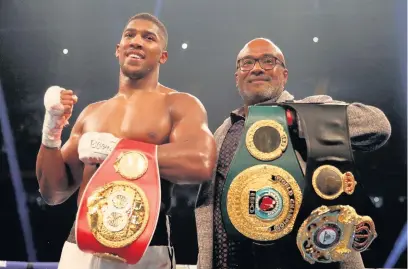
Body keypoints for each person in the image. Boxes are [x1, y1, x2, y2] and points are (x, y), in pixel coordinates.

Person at [36, 13, 217, 269]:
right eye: (130, 35)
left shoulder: (179, 104)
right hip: (79, 246)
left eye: (149, 37)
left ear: (162, 56)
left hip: (144, 249)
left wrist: (115, 150)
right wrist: (52, 128)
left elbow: (201, 163)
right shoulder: (91, 113)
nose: (137, 41)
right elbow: (52, 192)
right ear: (118, 50)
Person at [195, 38, 391, 269]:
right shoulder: (223, 130)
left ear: (284, 75)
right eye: (247, 63)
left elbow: (378, 125)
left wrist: (300, 118)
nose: (257, 68)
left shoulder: (310, 108)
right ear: (237, 77)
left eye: (268, 61)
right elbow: (210, 206)